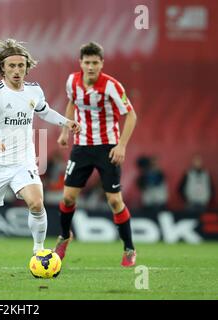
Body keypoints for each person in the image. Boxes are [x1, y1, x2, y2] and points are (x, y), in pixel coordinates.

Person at [0, 39, 80, 278]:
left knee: (36, 203)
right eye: (11, 66)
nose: (17, 70)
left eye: (21, 66)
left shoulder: (34, 90)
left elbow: (44, 111)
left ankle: (39, 252)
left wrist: (66, 122)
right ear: (3, 68)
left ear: (26, 67)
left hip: (24, 162)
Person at [55, 42, 138, 267]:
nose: (91, 67)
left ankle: (129, 247)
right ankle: (64, 236)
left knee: (114, 200)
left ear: (101, 63)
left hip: (107, 147)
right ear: (80, 63)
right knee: (68, 198)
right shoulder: (72, 81)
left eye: (95, 63)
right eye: (87, 62)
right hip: (81, 147)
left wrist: (121, 146)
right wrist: (65, 130)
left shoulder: (112, 86)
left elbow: (131, 116)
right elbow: (72, 102)